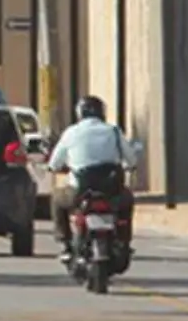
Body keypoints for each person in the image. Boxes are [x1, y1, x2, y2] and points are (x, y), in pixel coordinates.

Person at [47, 96, 138, 257]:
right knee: (127, 201)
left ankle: (65, 243)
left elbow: (54, 163)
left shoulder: (71, 133)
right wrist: (130, 166)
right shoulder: (113, 131)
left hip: (80, 191)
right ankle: (124, 240)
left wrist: (56, 168)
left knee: (57, 200)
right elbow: (131, 159)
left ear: (79, 113)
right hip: (111, 191)